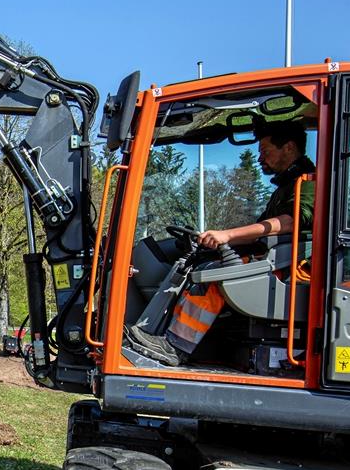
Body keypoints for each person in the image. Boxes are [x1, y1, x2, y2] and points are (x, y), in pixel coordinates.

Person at [127, 120, 315, 366]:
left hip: (289, 265)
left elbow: (291, 222)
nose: (260, 158)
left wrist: (227, 236)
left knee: (213, 277)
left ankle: (175, 347)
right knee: (198, 265)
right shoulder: (287, 185)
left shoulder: (308, 182)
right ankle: (159, 336)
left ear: (289, 148)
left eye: (265, 151)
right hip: (275, 259)